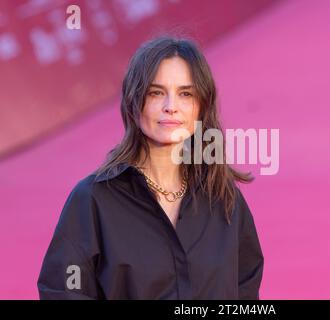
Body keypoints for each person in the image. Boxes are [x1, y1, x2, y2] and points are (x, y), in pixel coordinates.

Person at [37, 36, 264, 300]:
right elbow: (63, 292)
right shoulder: (93, 200)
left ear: (201, 107)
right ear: (134, 102)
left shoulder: (224, 199)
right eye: (156, 93)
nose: (171, 107)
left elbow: (246, 289)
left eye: (185, 94)